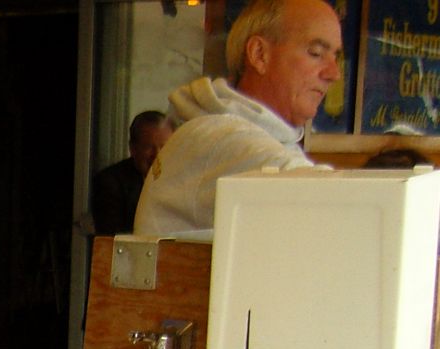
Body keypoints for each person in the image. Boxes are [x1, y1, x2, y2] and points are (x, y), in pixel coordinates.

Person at [133, 0, 342, 236]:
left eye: (336, 56)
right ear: (259, 54)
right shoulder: (219, 136)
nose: (334, 73)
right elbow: (340, 203)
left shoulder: (251, 136)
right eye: (316, 53)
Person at [89, 110, 170, 234]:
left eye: (164, 147)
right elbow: (112, 235)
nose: (157, 155)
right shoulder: (110, 182)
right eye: (148, 147)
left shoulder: (180, 180)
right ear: (133, 148)